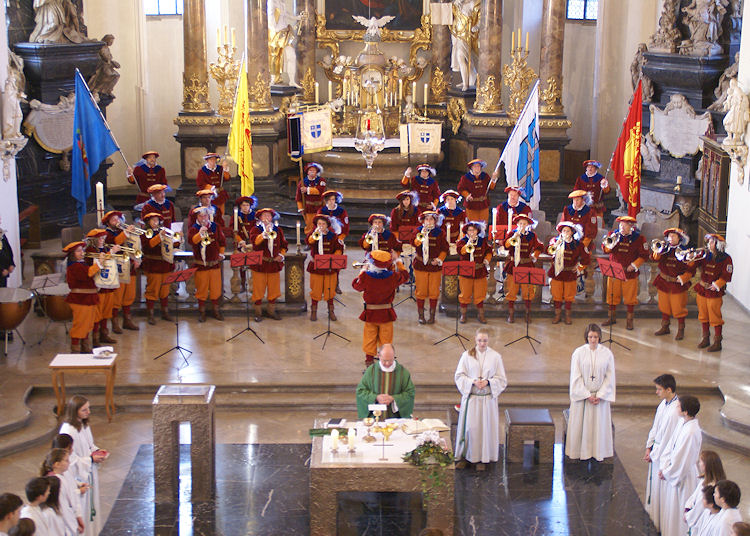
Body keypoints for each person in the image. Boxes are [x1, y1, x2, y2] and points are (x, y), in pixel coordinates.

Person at [454, 328, 507, 470]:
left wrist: (488, 382)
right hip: (472, 399)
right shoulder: (467, 355)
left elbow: (501, 379)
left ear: (489, 341)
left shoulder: (495, 357)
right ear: (475, 339)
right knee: (470, 429)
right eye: (479, 340)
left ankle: (482, 459)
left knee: (484, 429)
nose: (482, 343)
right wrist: (472, 382)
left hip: (487, 400)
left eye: (485, 341)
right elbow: (459, 376)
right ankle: (466, 457)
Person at [565, 323, 616, 462]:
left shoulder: (607, 354)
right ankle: (580, 452)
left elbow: (610, 377)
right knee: (581, 428)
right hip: (583, 397)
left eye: (595, 337)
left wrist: (600, 395)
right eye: (590, 337)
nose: (593, 340)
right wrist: (587, 395)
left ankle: (598, 452)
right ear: (586, 337)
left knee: (598, 428)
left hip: (599, 397)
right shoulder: (579, 353)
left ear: (599, 337)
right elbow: (575, 376)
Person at [352, 250, 409, 367]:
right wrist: (398, 261)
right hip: (386, 314)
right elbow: (406, 276)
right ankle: (386, 362)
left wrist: (362, 270)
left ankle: (369, 362)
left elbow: (356, 285)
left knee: (369, 337)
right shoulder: (393, 276)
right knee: (386, 339)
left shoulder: (366, 277)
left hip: (371, 314)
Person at [59, 396, 106, 536]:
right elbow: (69, 458)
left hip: (89, 471)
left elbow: (89, 444)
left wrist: (96, 451)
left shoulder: (83, 425)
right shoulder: (68, 430)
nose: (88, 412)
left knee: (92, 507)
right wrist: (90, 459)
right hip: (79, 477)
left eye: (88, 408)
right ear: (75, 411)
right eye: (84, 409)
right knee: (83, 509)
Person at [659, 394, 702, 536]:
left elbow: (683, 460)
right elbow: (671, 445)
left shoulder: (691, 432)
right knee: (671, 510)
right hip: (673, 471)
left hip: (683, 477)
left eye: (678, 406)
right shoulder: (682, 423)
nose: (675, 408)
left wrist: (667, 472)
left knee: (677, 513)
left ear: (685, 411)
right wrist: (664, 465)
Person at [643, 374, 682, 531]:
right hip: (656, 451)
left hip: (663, 456)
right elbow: (655, 427)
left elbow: (667, 438)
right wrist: (649, 446)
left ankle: (659, 523)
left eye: (659, 389)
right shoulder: (663, 404)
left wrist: (654, 454)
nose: (656, 392)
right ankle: (653, 518)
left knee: (659, 490)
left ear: (669, 389)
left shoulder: (675, 411)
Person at [601, 215, 648, 330]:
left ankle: (629, 320)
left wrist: (634, 265)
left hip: (629, 271)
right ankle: (611, 317)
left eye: (624, 225)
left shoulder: (639, 238)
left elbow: (644, 255)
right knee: (612, 294)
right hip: (614, 270)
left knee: (630, 297)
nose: (621, 227)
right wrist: (610, 244)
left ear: (631, 226)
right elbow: (605, 249)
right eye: (620, 225)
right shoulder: (613, 235)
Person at [102, 211, 140, 333]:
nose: (117, 222)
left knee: (129, 294)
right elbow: (116, 241)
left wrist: (136, 257)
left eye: (118, 219)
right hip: (117, 266)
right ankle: (114, 322)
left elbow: (133, 244)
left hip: (129, 263)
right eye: (114, 220)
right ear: (108, 222)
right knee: (117, 295)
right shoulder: (106, 233)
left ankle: (127, 319)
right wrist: (126, 232)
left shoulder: (122, 231)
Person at [694, 234, 733, 352]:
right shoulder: (705, 255)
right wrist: (691, 257)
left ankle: (717, 341)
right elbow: (694, 264)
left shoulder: (726, 259)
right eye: (709, 242)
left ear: (718, 245)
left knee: (715, 315)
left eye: (711, 242)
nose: (708, 245)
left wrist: (717, 285)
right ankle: (705, 338)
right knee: (703, 314)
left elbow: (727, 275)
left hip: (714, 291)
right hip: (702, 289)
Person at [652, 227, 692, 340]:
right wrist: (658, 250)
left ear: (679, 238)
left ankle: (681, 329)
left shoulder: (685, 251)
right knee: (664, 305)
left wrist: (684, 278)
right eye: (669, 236)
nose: (670, 238)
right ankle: (665, 327)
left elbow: (691, 268)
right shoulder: (665, 249)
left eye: (673, 236)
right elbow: (655, 259)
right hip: (664, 281)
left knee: (678, 307)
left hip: (677, 283)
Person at [248, 208, 288, 322]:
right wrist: (264, 234)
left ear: (272, 218)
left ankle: (271, 311)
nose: (266, 218)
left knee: (273, 289)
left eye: (269, 216)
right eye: (264, 216)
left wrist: (281, 255)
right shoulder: (255, 229)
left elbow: (284, 245)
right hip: (260, 263)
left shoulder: (278, 230)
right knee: (258, 289)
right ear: (260, 218)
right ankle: (258, 312)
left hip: (274, 264)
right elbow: (255, 243)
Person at [356, 344, 415, 419]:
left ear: (394, 356)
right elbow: (360, 392)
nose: (387, 364)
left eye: (390, 360)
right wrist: (375, 397)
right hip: (375, 419)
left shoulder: (403, 372)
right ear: (379, 356)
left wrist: (394, 398)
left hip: (395, 420)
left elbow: (410, 393)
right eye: (384, 360)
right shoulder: (371, 371)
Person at [503, 214, 544, 324]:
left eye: (524, 224)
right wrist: (513, 237)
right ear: (517, 224)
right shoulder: (511, 233)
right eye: (520, 223)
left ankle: (527, 313)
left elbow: (539, 247)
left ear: (527, 225)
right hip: (513, 265)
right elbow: (506, 245)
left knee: (528, 291)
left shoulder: (532, 235)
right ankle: (511, 314)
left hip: (526, 264)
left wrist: (535, 255)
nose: (522, 225)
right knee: (511, 290)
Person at [188, 207, 226, 322]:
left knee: (215, 289)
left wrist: (221, 253)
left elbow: (222, 241)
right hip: (201, 265)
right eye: (201, 216)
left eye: (205, 216)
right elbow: (192, 241)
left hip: (214, 263)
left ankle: (216, 310)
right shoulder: (193, 228)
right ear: (197, 217)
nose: (203, 218)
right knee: (201, 289)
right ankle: (202, 311)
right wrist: (200, 233)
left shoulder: (215, 226)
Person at [548, 222, 590, 324]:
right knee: (556, 295)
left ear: (572, 233)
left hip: (570, 273)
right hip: (557, 272)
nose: (565, 233)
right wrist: (557, 244)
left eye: (567, 231)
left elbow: (586, 259)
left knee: (569, 296)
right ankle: (557, 315)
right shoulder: (554, 241)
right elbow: (550, 251)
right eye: (563, 231)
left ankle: (567, 316)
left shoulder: (578, 244)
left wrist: (579, 267)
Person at [84, 229, 120, 347]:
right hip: (97, 286)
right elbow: (95, 263)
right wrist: (112, 252)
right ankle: (95, 337)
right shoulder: (90, 250)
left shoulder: (104, 249)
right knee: (97, 313)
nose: (102, 241)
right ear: (93, 240)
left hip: (108, 284)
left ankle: (104, 334)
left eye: (103, 238)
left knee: (106, 311)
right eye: (99, 238)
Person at [140, 212, 177, 324]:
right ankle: (150, 314)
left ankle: (165, 311)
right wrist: (160, 236)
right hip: (153, 264)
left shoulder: (163, 231)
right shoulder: (146, 233)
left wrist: (177, 239)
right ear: (148, 222)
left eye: (157, 220)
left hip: (165, 264)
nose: (156, 223)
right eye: (153, 220)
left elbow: (171, 245)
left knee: (165, 290)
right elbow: (149, 245)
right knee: (152, 289)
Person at [412, 211, 448, 324]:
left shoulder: (440, 232)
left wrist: (439, 259)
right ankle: (421, 315)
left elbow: (444, 249)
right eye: (426, 219)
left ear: (435, 221)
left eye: (431, 219)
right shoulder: (418, 231)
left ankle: (432, 315)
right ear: (423, 221)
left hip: (434, 266)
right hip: (420, 265)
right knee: (421, 291)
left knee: (434, 291)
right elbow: (414, 244)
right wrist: (421, 235)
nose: (428, 222)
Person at [63, 241, 99, 353]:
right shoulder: (74, 266)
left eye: (82, 250)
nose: (82, 252)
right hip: (80, 299)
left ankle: (85, 345)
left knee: (88, 323)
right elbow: (87, 274)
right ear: (72, 254)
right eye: (78, 251)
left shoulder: (81, 264)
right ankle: (75, 348)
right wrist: (100, 263)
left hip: (88, 298)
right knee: (80, 324)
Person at [306, 214, 343, 321]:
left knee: (330, 289)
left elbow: (339, 249)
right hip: (316, 267)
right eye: (319, 224)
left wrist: (333, 258)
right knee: (316, 290)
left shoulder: (333, 236)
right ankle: (314, 311)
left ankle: (331, 311)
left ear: (327, 225)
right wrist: (316, 234)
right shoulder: (313, 234)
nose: (321, 226)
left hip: (330, 267)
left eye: (323, 224)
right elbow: (309, 242)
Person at [40, 449, 84, 536]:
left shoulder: (58, 476)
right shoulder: (57, 482)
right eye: (66, 460)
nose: (69, 462)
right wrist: (74, 525)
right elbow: (64, 507)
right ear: (57, 464)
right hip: (64, 523)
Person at [456, 221, 492, 324]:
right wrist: (469, 242)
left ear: (477, 231)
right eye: (470, 230)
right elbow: (461, 251)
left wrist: (486, 259)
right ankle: (463, 314)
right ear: (466, 231)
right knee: (465, 293)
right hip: (466, 271)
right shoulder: (462, 241)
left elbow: (489, 251)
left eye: (474, 230)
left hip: (480, 270)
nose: (472, 232)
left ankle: (481, 314)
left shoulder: (482, 241)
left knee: (480, 293)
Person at [685, 451, 726, 534]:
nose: (699, 463)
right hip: (693, 513)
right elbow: (694, 496)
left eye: (701, 461)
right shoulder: (704, 480)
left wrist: (688, 516)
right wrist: (687, 507)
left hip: (699, 521)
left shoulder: (711, 486)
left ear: (707, 465)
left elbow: (700, 507)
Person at [232, 195, 258, 292]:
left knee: (253, 264)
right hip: (241, 244)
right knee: (242, 265)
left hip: (252, 243)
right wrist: (240, 241)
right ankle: (243, 284)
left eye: (247, 205)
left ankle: (253, 284)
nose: (245, 207)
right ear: (240, 206)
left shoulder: (255, 216)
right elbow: (233, 230)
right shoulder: (236, 216)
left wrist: (253, 242)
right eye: (243, 205)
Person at [296, 162, 326, 234]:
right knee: (309, 225)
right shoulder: (302, 183)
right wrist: (300, 207)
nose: (312, 172)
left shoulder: (321, 181)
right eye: (310, 170)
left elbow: (320, 190)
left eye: (314, 170)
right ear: (307, 172)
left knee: (320, 224)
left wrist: (307, 190)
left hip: (319, 207)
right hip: (309, 208)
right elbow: (298, 197)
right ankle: (309, 241)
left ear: (317, 172)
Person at [0, 222, 16, 288]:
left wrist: (11, 263)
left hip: (4, 270)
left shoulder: (1, 234)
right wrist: (1, 270)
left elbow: (8, 250)